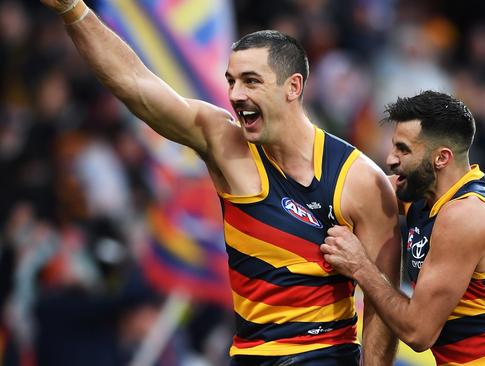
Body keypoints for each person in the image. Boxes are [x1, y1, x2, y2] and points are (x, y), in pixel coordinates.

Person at [40, 1, 402, 365]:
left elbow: (383, 308)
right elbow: (135, 84)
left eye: (251, 81)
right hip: (248, 355)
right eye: (231, 81)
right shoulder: (225, 143)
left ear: (293, 87)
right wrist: (73, 11)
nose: (235, 95)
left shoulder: (360, 180)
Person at [321, 91, 485, 365]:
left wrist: (360, 266)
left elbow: (418, 331)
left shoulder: (466, 214)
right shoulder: (425, 194)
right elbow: (358, 193)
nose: (390, 159)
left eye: (403, 149)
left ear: (441, 158)